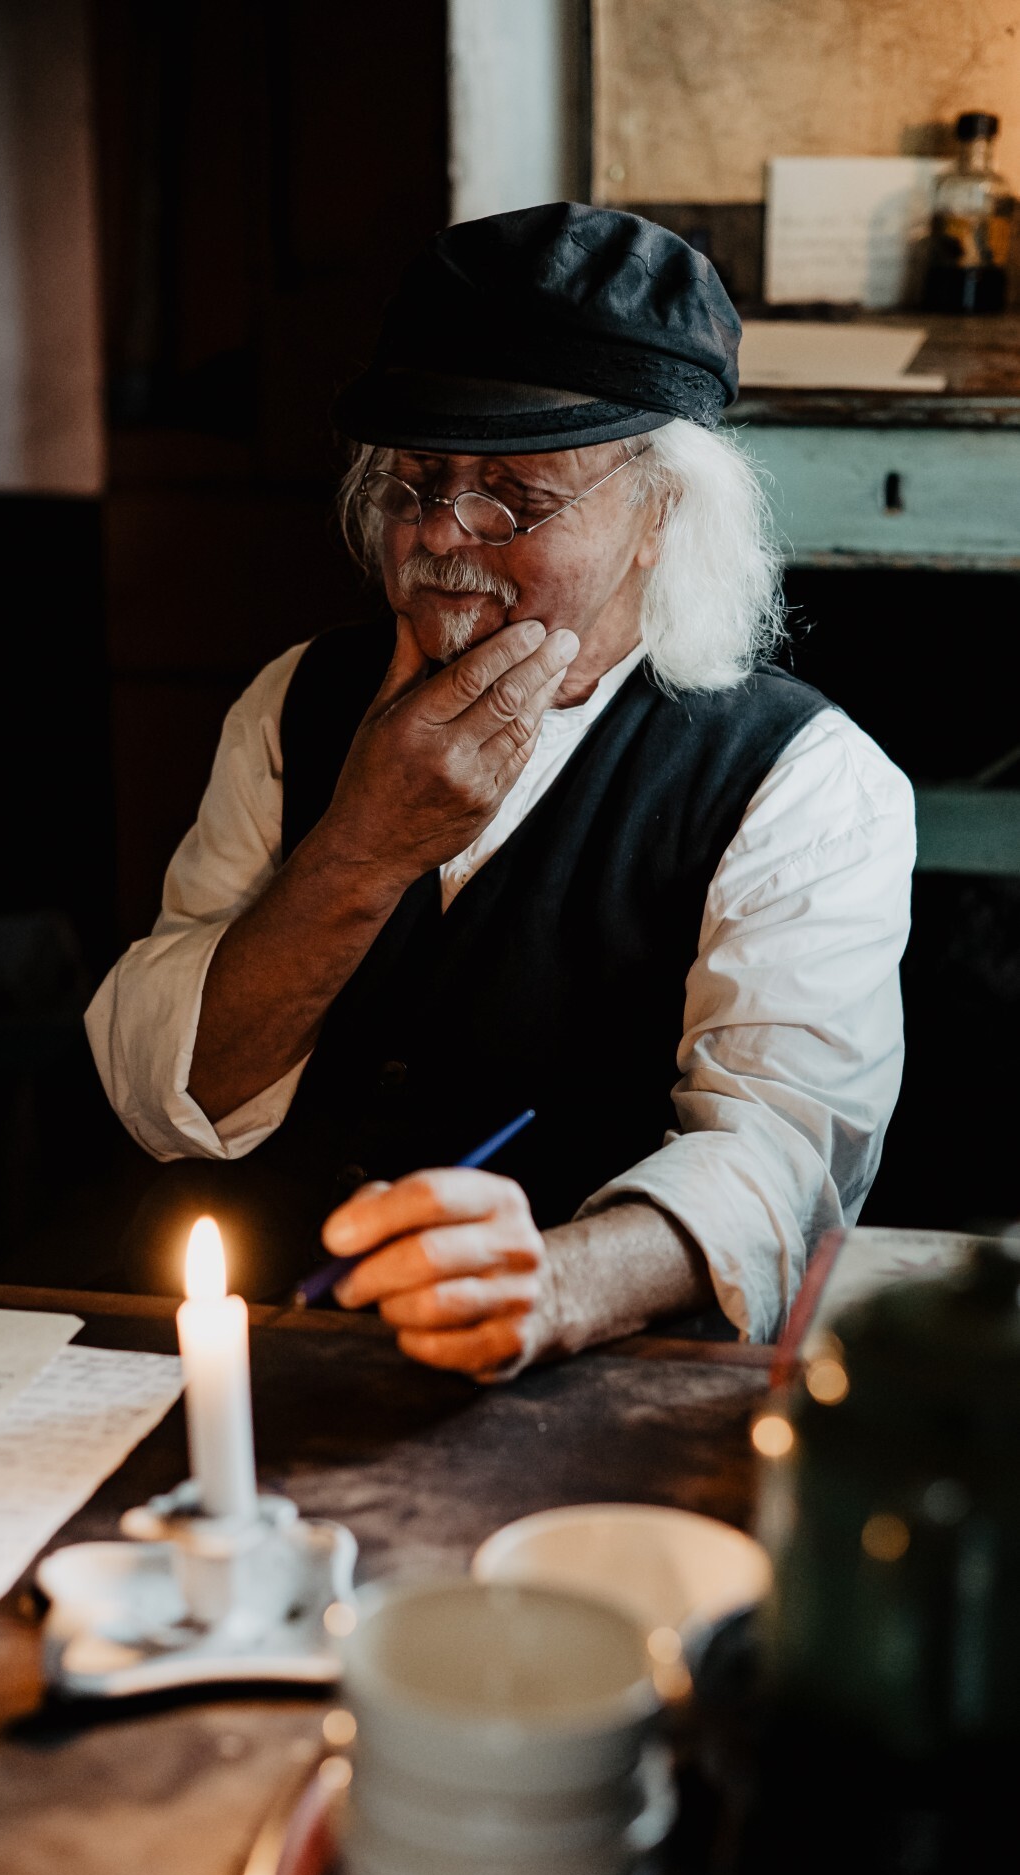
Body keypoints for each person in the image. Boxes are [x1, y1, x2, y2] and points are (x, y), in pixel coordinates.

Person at [87, 203, 914, 1379]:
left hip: (580, 1387)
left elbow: (782, 1158)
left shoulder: (803, 781)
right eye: (417, 480)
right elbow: (156, 1088)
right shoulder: (295, 701)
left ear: (658, 515)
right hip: (249, 1349)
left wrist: (559, 1280)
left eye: (512, 497)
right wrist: (363, 849)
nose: (440, 538)